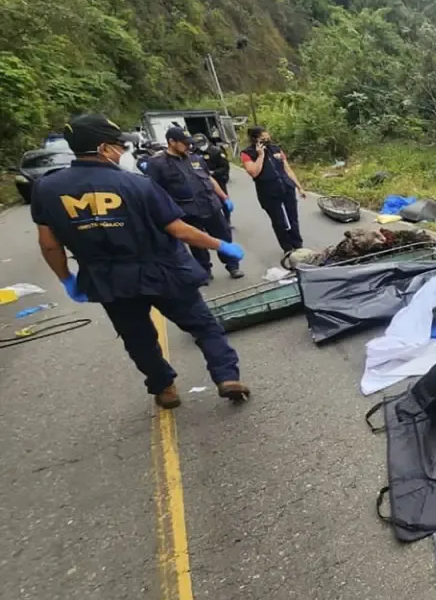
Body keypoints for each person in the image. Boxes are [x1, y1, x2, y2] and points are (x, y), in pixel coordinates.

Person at [30, 114, 250, 409]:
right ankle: (226, 377)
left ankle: (164, 388)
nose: (121, 151)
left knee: (138, 339)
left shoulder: (47, 188)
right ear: (103, 148)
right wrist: (221, 244)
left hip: (108, 279)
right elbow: (177, 229)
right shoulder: (136, 184)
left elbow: (49, 244)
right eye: (118, 145)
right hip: (162, 270)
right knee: (204, 326)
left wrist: (66, 278)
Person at [141, 127, 243, 280]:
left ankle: (233, 266)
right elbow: (154, 190)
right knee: (197, 243)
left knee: (223, 236)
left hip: (210, 205)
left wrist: (224, 198)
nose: (188, 146)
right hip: (187, 210)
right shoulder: (158, 164)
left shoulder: (195, 158)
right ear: (171, 142)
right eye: (184, 143)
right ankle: (205, 270)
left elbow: (209, 178)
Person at [241, 126, 305, 254]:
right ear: (255, 138)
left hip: (286, 187)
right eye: (263, 137)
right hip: (268, 192)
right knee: (279, 221)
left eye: (267, 136)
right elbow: (253, 172)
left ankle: (298, 245)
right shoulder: (247, 153)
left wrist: (299, 187)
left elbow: (287, 169)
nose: (267, 138)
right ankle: (287, 248)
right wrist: (260, 155)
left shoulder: (276, 148)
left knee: (293, 218)